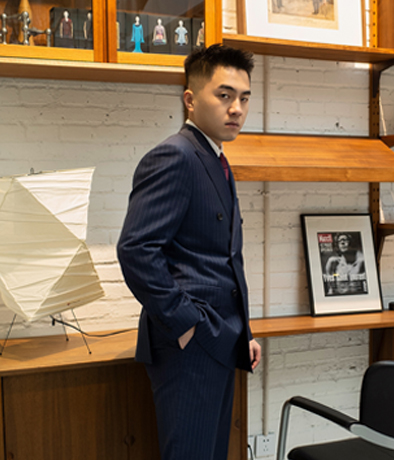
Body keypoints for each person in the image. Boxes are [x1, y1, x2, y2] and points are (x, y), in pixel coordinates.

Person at [117, 44, 261, 460]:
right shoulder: (175, 156)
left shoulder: (215, 158)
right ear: (190, 99)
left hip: (219, 338)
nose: (236, 109)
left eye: (244, 98)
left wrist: (244, 333)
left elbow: (221, 258)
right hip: (190, 345)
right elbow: (136, 249)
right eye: (224, 95)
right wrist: (186, 324)